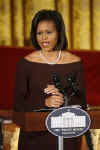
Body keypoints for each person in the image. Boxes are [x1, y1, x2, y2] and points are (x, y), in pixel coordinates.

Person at [13, 9, 87, 150]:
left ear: (59, 32)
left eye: (49, 32)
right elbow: (18, 104)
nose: (43, 38)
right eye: (39, 33)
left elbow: (82, 103)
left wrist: (63, 96)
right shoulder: (25, 63)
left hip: (67, 136)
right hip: (34, 138)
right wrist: (45, 102)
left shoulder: (75, 62)